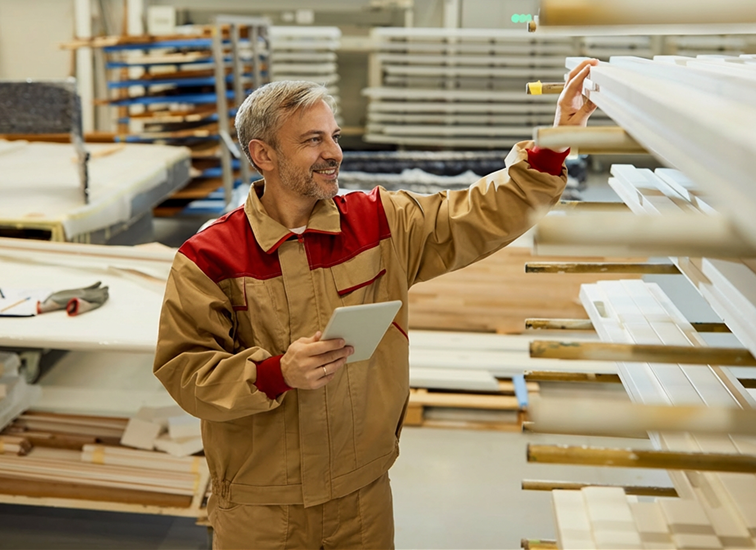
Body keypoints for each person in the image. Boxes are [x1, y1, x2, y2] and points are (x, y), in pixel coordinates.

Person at [154, 59, 600, 549]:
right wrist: (276, 373)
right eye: (312, 141)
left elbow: (482, 212)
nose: (334, 154)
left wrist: (556, 139)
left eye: (334, 136)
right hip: (262, 508)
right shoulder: (209, 256)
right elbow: (186, 371)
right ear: (263, 154)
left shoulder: (380, 222)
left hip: (361, 496)